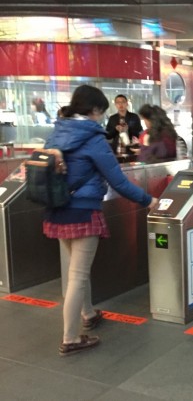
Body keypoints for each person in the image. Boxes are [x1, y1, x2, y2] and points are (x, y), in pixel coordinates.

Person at [42, 85, 158, 356]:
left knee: (76, 270)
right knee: (78, 276)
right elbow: (118, 181)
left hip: (57, 209)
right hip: (82, 211)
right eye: (101, 112)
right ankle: (70, 338)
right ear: (94, 110)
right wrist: (148, 201)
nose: (100, 117)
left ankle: (89, 313)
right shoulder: (93, 139)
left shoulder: (57, 133)